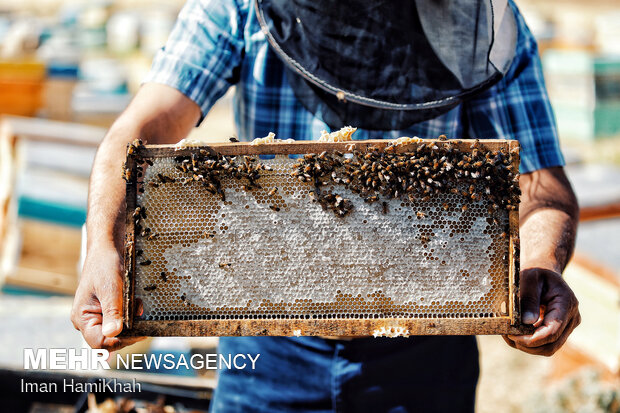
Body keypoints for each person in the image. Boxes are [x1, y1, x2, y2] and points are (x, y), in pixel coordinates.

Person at [71, 0, 580, 411]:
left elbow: (543, 188)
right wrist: (103, 246)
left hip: (425, 352)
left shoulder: (481, 31)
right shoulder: (237, 9)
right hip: (264, 347)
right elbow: (138, 132)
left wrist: (538, 266)